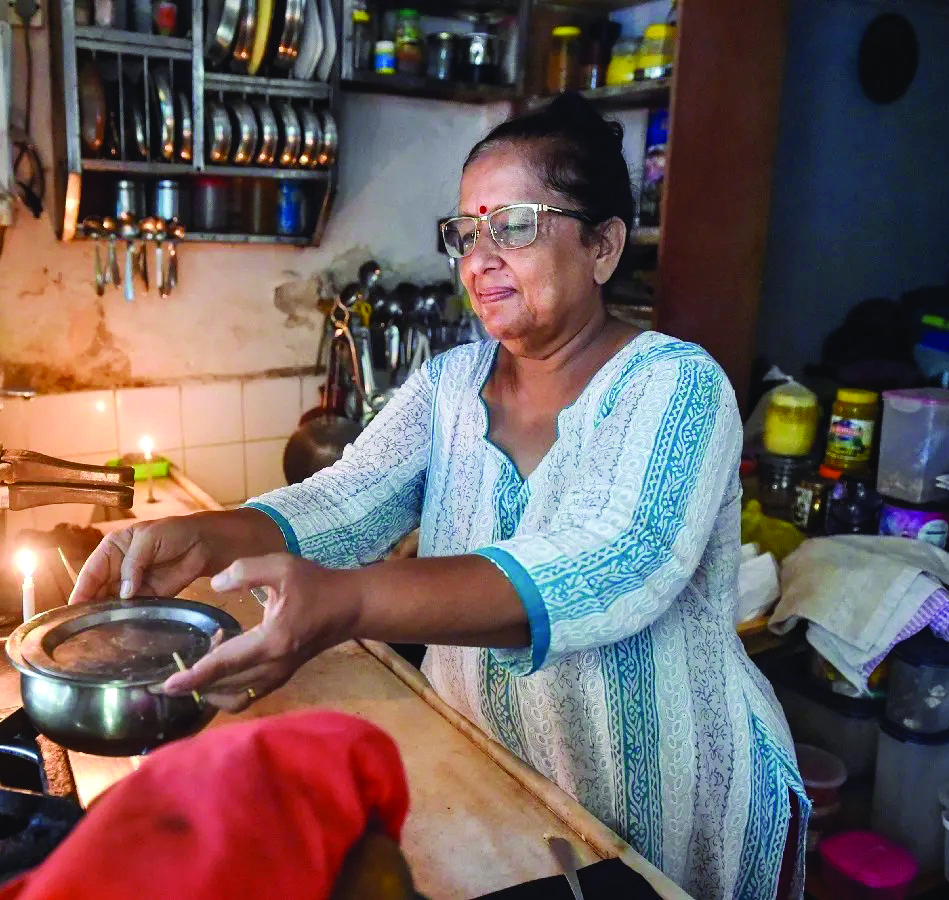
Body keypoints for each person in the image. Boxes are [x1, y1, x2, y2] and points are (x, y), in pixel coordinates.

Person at [71, 94, 807, 900]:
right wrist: (206, 535)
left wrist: (347, 606)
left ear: (602, 245)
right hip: (502, 783)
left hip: (673, 806)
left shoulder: (676, 386)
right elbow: (347, 504)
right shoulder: (448, 385)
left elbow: (607, 567)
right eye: (465, 231)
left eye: (514, 225)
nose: (479, 257)